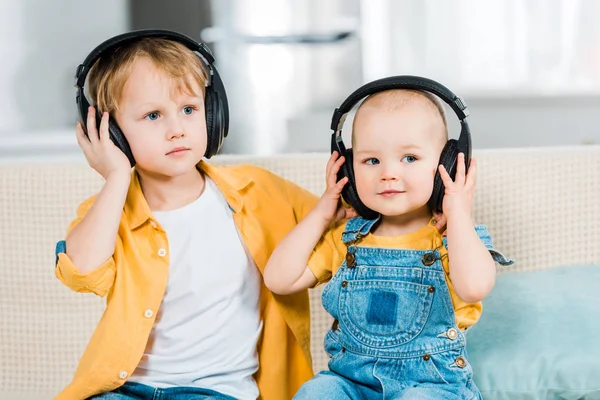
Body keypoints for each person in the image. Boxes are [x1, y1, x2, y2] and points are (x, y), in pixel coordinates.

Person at [54, 30, 318, 400]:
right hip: (128, 390)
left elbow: (341, 224)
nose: (176, 129)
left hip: (218, 392)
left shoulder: (260, 191)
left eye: (189, 109)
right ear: (112, 133)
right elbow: (81, 271)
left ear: (212, 112)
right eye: (153, 115)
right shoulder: (110, 210)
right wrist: (115, 177)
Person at [264, 78, 514, 399]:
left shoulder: (453, 237)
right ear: (349, 174)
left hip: (431, 387)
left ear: (446, 166)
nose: (388, 173)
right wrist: (321, 212)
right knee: (317, 393)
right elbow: (279, 279)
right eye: (371, 161)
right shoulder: (347, 239)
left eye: (409, 158)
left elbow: (475, 286)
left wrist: (459, 214)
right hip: (351, 383)